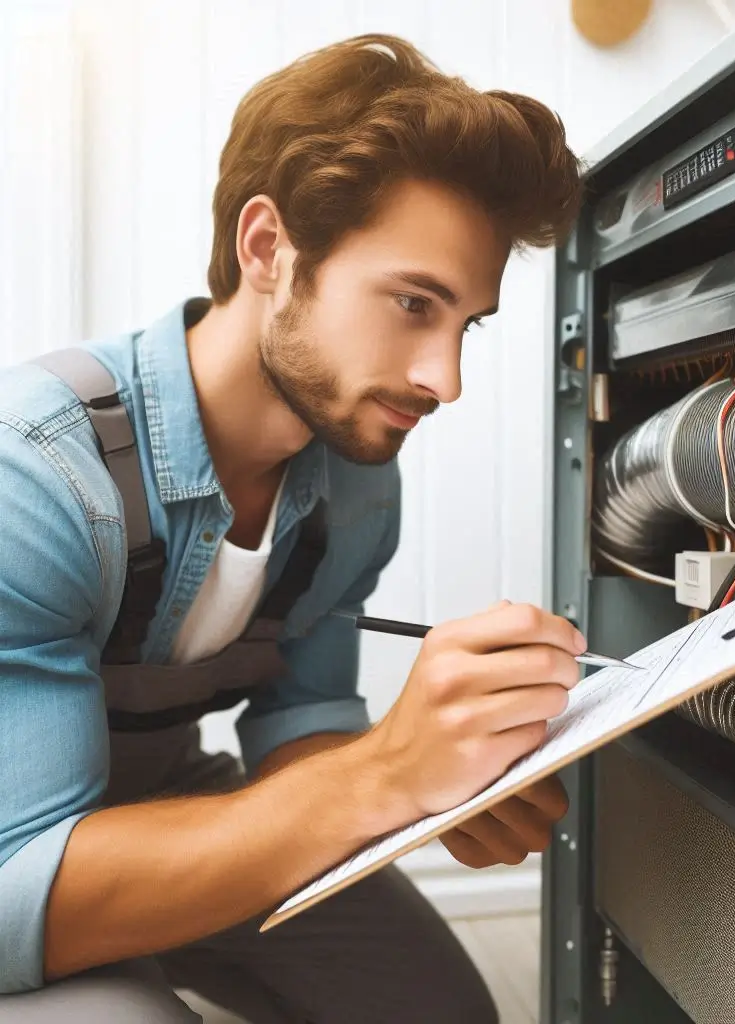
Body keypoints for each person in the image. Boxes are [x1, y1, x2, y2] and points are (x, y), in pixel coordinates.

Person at [0, 34, 585, 1022]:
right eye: (412, 304)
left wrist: (434, 783)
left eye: (464, 324)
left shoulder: (356, 487)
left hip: (167, 796)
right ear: (267, 248)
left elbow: (300, 733)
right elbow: (20, 888)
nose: (443, 379)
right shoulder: (38, 475)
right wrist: (382, 771)